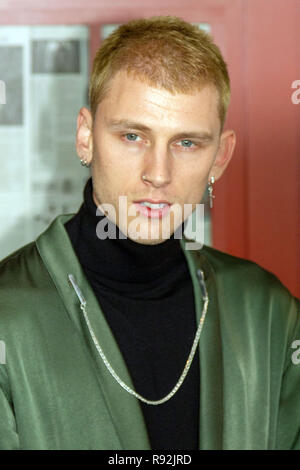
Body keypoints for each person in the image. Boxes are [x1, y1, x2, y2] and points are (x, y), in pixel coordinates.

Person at [0, 16, 299, 451]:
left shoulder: (268, 313)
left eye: (187, 144)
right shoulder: (8, 317)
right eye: (133, 136)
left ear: (220, 157)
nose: (158, 174)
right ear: (85, 136)